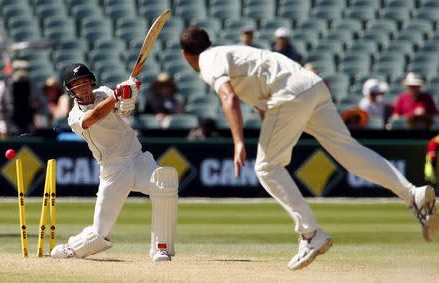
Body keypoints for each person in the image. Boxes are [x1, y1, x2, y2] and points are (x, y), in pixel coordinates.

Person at [179, 27, 439, 270]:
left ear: (185, 55)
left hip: (289, 94)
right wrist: (272, 131)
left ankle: (310, 233)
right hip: (312, 84)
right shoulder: (233, 53)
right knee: (349, 150)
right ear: (208, 41)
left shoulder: (207, 61)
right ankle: (412, 194)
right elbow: (260, 104)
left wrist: (238, 142)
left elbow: (228, 97)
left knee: (266, 167)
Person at [50, 63, 178, 261]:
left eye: (85, 82)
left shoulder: (104, 93)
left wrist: (129, 94)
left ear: (92, 82)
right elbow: (95, 116)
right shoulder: (74, 117)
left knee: (164, 183)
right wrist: (117, 96)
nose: (83, 87)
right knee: (100, 233)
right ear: (70, 90)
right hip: (113, 170)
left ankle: (161, 248)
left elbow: (125, 111)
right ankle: (73, 247)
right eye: (77, 85)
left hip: (137, 158)